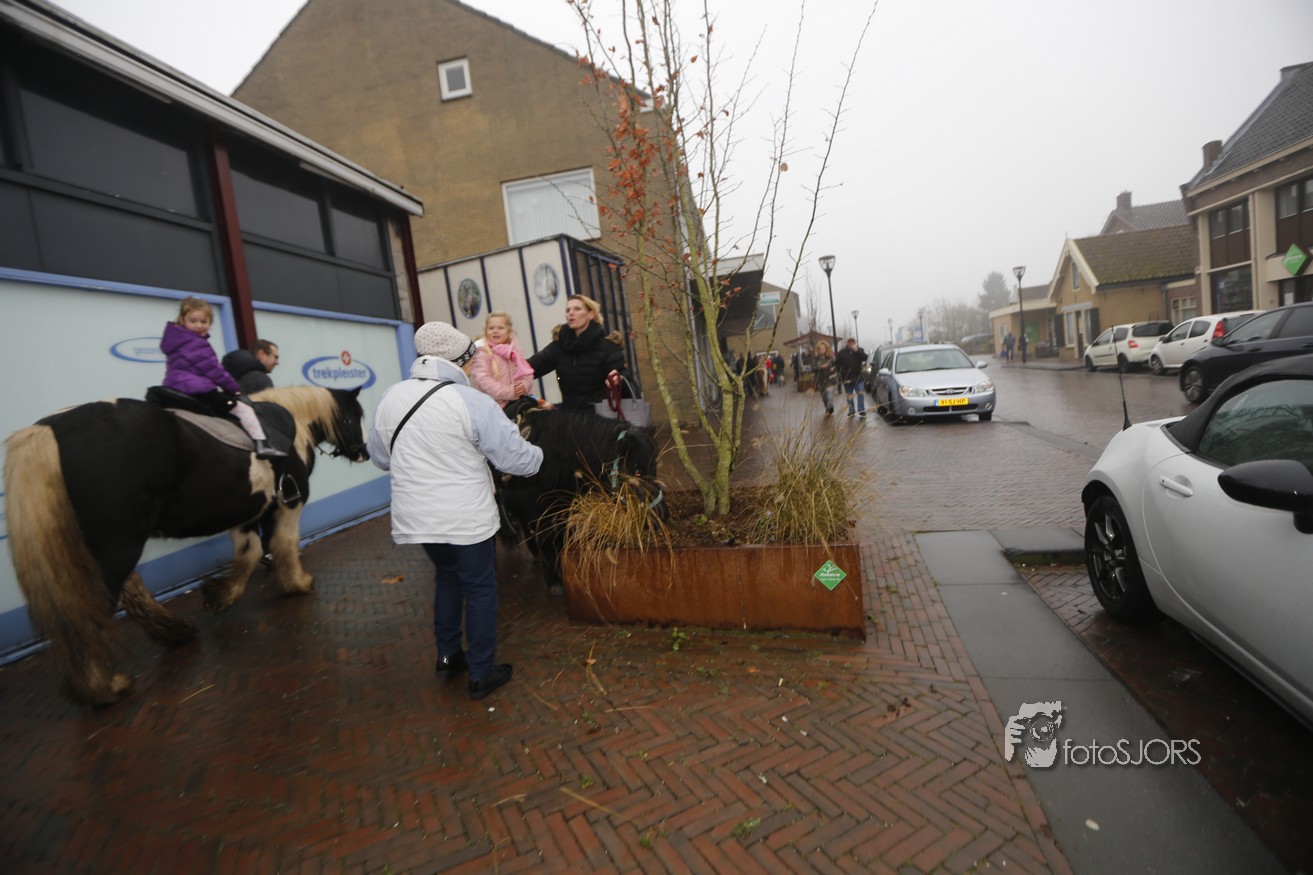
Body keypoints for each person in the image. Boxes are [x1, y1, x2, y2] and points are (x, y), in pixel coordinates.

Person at [367, 321, 543, 701]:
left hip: (417, 516)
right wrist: (540, 452)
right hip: (466, 517)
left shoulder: (391, 397)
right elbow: (517, 460)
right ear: (461, 360)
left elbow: (380, 457)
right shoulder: (472, 401)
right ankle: (481, 672)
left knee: (447, 576)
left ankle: (448, 655)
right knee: (479, 587)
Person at [161, 297, 286, 459]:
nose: (199, 325)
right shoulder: (196, 343)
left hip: (173, 385)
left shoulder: (176, 340)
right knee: (244, 409)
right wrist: (233, 389)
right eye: (193, 321)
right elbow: (214, 371)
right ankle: (262, 444)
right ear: (182, 320)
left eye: (203, 321)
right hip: (195, 389)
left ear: (210, 323)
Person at [527, 294, 625, 410]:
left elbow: (625, 378)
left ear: (591, 314)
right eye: (568, 310)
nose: (571, 313)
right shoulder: (560, 346)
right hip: (570, 417)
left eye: (577, 309)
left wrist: (619, 380)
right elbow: (530, 367)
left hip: (601, 416)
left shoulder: (608, 347)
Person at [470, 311, 543, 413]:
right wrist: (509, 391)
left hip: (516, 403)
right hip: (493, 408)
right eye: (491, 328)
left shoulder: (515, 351)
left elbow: (527, 373)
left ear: (509, 331)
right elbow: (482, 381)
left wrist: (523, 386)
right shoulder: (482, 353)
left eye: (500, 328)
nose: (495, 331)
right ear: (486, 331)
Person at [834, 337, 869, 418]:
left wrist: (856, 351)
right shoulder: (842, 352)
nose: (851, 344)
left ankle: (861, 410)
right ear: (847, 343)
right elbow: (837, 363)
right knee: (849, 395)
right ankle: (851, 410)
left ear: (855, 343)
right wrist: (843, 371)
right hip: (847, 377)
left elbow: (865, 357)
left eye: (853, 342)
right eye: (850, 342)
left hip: (858, 376)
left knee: (860, 393)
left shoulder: (860, 350)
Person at [813, 340, 836, 416]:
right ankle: (828, 408)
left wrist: (833, 369)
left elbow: (836, 365)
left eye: (823, 349)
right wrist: (821, 367)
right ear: (817, 350)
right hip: (820, 380)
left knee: (829, 394)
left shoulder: (831, 358)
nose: (822, 350)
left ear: (826, 349)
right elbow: (813, 368)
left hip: (830, 380)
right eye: (820, 349)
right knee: (824, 396)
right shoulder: (815, 359)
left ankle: (830, 408)